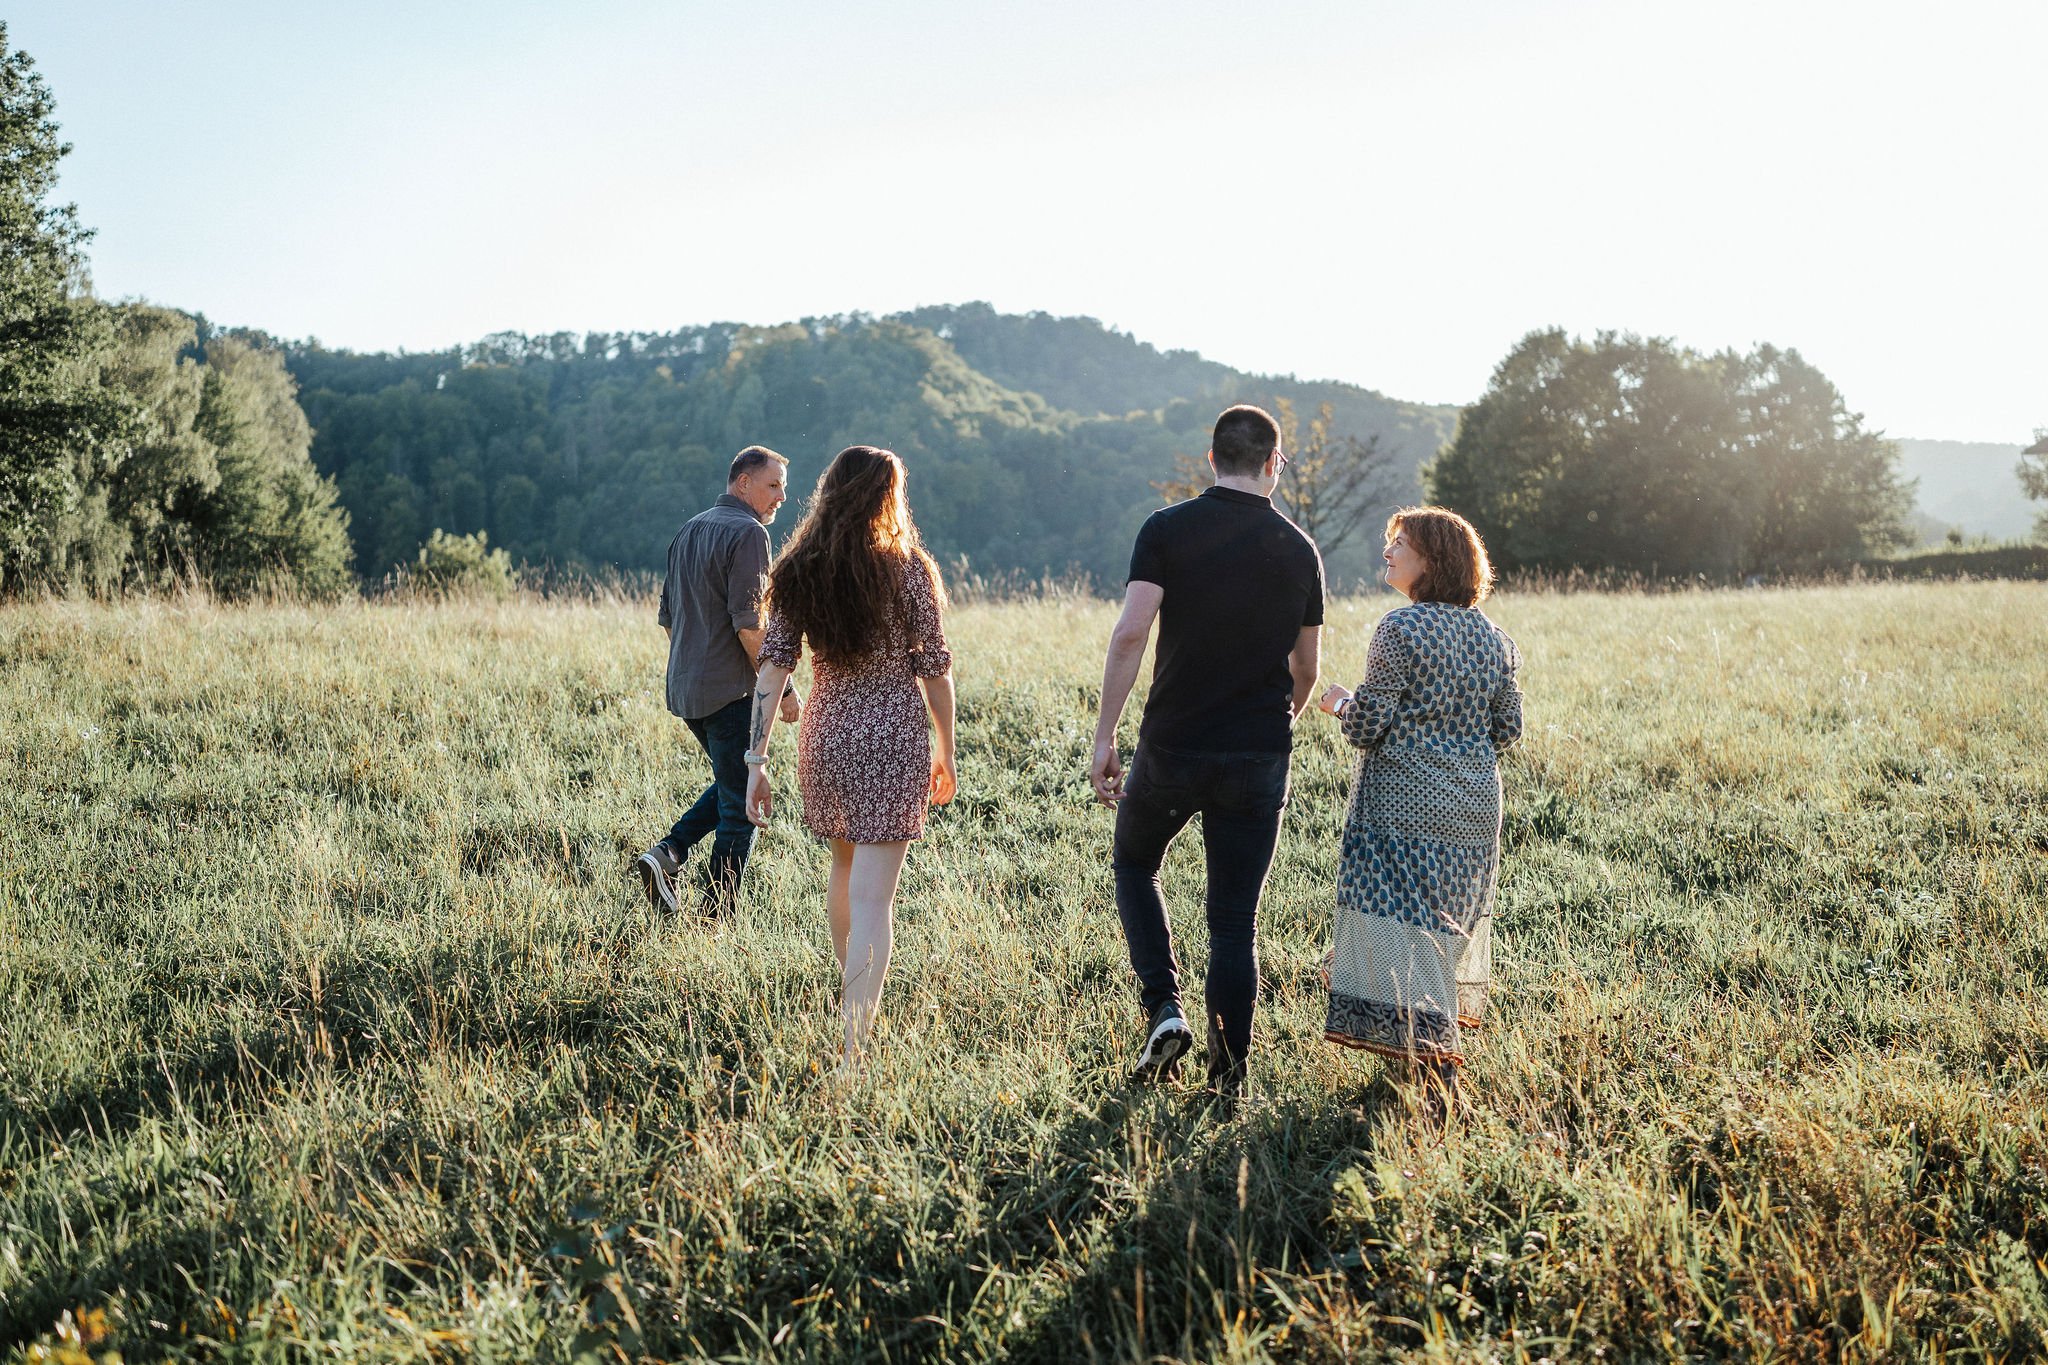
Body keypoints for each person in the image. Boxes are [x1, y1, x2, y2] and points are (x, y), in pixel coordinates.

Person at [1089, 405, 1324, 1105]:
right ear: (1274, 463)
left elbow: (1131, 633)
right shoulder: (1298, 548)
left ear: (1212, 455)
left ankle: (1164, 1006)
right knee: (1233, 920)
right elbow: (1307, 668)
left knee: (1135, 860)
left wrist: (1105, 735)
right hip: (1258, 753)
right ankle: (1227, 1085)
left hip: (1172, 746)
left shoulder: (1166, 529)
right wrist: (1279, 720)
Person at [742, 446, 957, 1065]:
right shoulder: (910, 570)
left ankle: (850, 998)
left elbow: (773, 665)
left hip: (828, 734)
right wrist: (948, 746)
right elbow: (934, 670)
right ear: (889, 497)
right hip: (893, 735)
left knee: (844, 870)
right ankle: (856, 1042)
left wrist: (756, 761)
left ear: (830, 492)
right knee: (873, 899)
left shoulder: (799, 567)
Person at [1315, 506, 1522, 1116]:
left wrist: (1338, 703)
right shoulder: (1495, 639)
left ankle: (1438, 1079)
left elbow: (1369, 726)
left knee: (1402, 931)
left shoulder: (1399, 630)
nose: (1388, 554)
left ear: (1433, 561)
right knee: (1439, 931)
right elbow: (1506, 729)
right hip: (1475, 808)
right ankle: (1418, 1066)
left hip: (1403, 804)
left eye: (1399, 545)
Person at [637, 446, 801, 918]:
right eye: (772, 486)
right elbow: (750, 625)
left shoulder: (689, 528)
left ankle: (668, 854)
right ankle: (716, 919)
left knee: (732, 783)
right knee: (743, 806)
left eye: (783, 491)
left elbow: (669, 620)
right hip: (730, 691)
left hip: (687, 690)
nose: (779, 498)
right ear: (743, 482)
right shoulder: (748, 533)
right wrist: (784, 688)